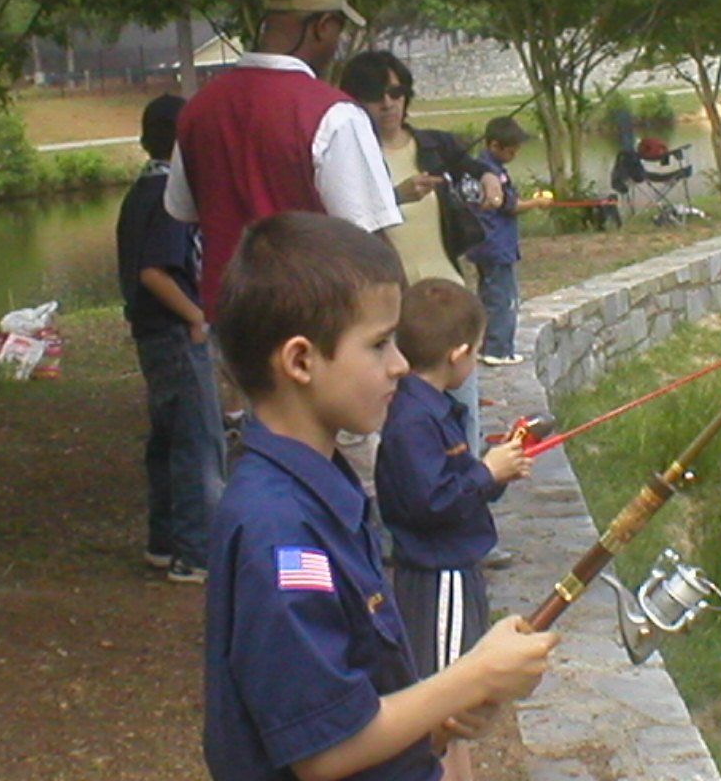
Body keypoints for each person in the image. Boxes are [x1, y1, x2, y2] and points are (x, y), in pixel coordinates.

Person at [203, 213, 558, 781]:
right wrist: (472, 677)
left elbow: (362, 696)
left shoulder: (323, 486)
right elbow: (324, 753)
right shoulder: (279, 531)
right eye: (379, 344)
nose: (399, 365)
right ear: (300, 361)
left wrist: (438, 718)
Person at [165, 0, 402, 322]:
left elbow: (183, 209)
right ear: (322, 26)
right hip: (313, 319)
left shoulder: (197, 109)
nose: (337, 45)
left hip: (230, 321)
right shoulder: (334, 113)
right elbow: (366, 240)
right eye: (337, 31)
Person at [375, 279, 533, 781]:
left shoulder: (430, 409)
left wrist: (497, 470)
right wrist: (487, 473)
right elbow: (432, 502)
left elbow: (455, 487)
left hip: (455, 569)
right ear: (459, 354)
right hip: (436, 574)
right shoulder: (414, 421)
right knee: (446, 695)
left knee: (456, 695)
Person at [341, 50, 502, 455]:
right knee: (404, 420)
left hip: (446, 294)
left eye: (396, 92)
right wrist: (397, 197)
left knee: (463, 410)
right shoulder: (351, 156)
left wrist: (489, 179)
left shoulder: (434, 145)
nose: (388, 103)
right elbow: (347, 222)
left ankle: (469, 491)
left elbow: (473, 165)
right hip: (393, 308)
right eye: (375, 94)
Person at [116, 93, 225, 583]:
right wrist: (197, 317)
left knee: (166, 438)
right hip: (175, 333)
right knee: (199, 442)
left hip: (151, 334)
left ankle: (163, 542)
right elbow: (155, 272)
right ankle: (197, 553)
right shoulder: (166, 196)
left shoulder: (139, 191)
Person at [467, 116, 552, 367]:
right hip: (496, 246)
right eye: (511, 150)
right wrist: (537, 203)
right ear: (494, 146)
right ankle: (498, 350)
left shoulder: (480, 168)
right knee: (503, 299)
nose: (515, 154)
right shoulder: (491, 173)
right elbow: (509, 206)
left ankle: (487, 346)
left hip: (485, 246)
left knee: (489, 296)